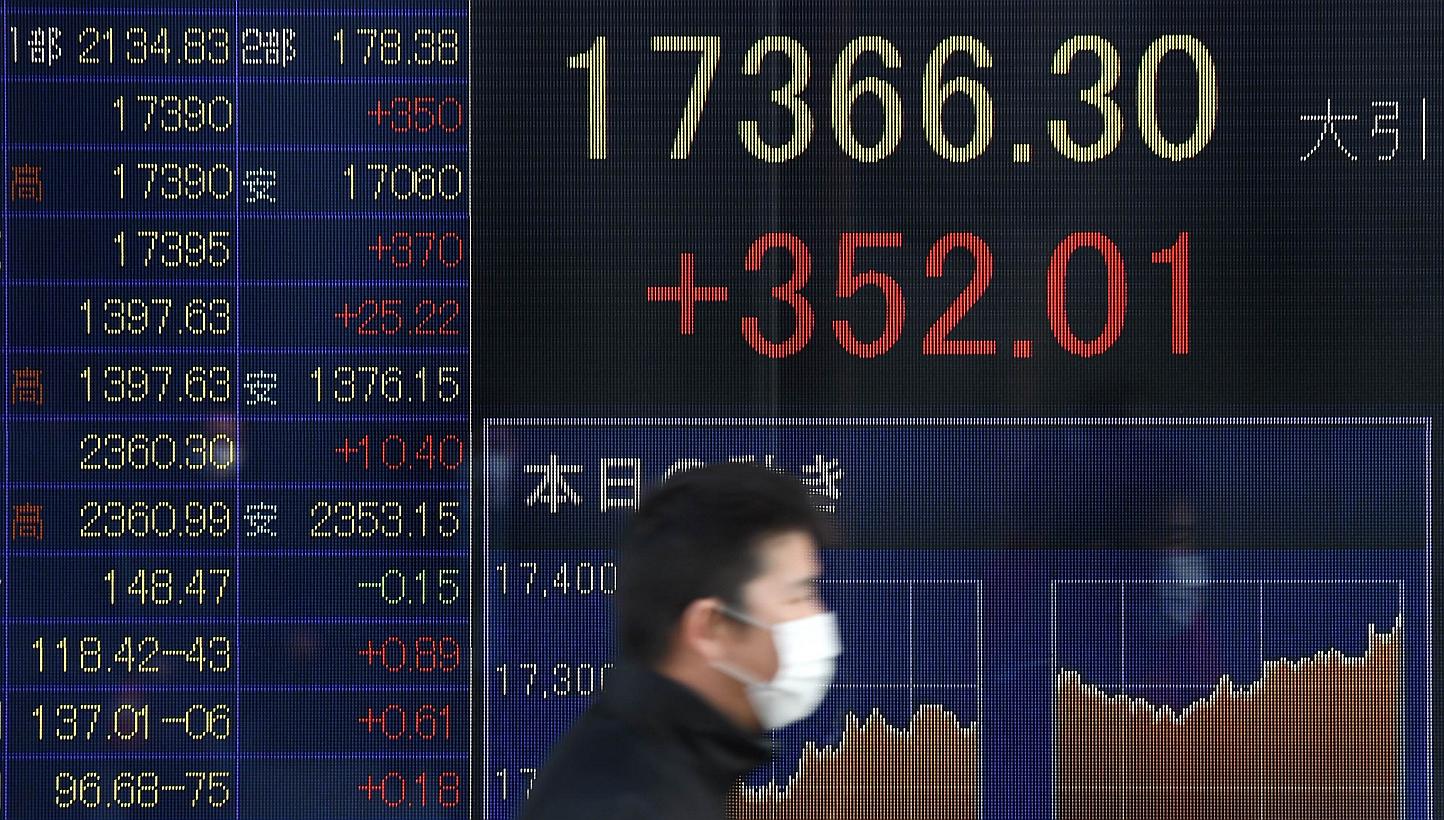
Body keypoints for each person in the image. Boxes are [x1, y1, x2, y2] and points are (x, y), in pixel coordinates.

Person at [519, 461, 843, 819]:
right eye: (798, 595)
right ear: (711, 627)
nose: (818, 616)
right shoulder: (625, 805)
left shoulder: (663, 772)